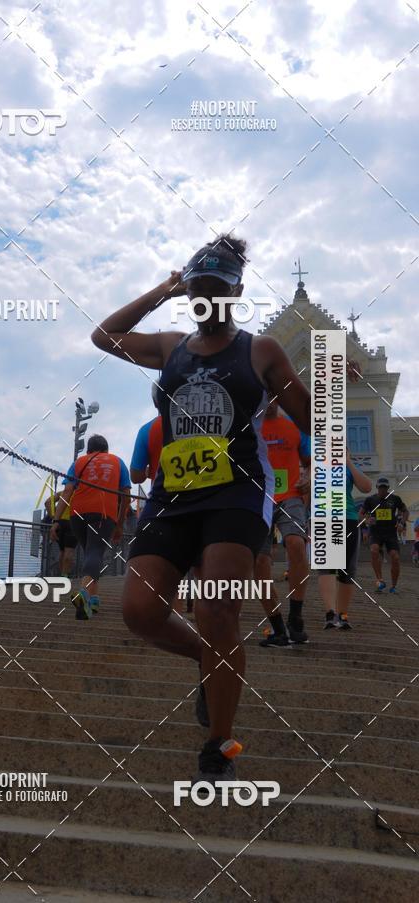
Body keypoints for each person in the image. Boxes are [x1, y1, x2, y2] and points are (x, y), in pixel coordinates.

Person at [92, 234, 310, 781]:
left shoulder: (261, 351)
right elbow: (104, 336)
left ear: (236, 292)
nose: (205, 299)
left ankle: (219, 745)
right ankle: (206, 659)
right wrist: (163, 289)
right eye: (197, 289)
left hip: (237, 492)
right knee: (140, 612)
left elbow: (312, 416)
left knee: (217, 609)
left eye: (217, 288)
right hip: (173, 495)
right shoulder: (171, 347)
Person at [51, 435, 131, 619]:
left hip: (77, 514)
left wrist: (55, 520)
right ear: (106, 449)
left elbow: (67, 491)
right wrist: (120, 524)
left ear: (88, 450)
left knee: (91, 553)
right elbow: (126, 496)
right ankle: (84, 594)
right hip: (103, 513)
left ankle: (93, 601)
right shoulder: (117, 462)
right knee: (95, 551)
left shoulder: (79, 462)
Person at [254, 400, 311, 648]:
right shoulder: (249, 427)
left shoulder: (295, 427)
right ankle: (277, 626)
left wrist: (308, 477)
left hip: (290, 495)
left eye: (273, 396)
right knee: (259, 562)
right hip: (258, 498)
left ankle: (295, 617)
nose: (268, 402)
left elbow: (311, 461)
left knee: (296, 543)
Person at [318, 449, 372, 630]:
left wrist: (349, 462)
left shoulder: (348, 468)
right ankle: (330, 613)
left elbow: (366, 487)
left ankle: (342, 614)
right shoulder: (317, 467)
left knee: (348, 569)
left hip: (348, 519)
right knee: (327, 567)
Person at [360, 477, 408, 594]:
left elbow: (405, 511)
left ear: (388, 488)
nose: (383, 490)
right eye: (381, 487)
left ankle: (393, 586)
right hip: (376, 532)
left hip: (390, 533)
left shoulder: (395, 499)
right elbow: (361, 513)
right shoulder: (370, 500)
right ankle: (380, 579)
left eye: (385, 488)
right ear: (377, 487)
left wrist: (402, 523)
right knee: (374, 550)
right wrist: (367, 521)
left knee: (395, 558)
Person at [130, 384, 163, 485]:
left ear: (155, 402)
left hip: (162, 492)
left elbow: (136, 477)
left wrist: (150, 470)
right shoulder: (200, 423)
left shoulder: (147, 430)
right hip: (203, 491)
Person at [45, 491, 77, 577]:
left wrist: (54, 517)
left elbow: (47, 502)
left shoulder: (62, 493)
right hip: (73, 522)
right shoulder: (80, 493)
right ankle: (64, 576)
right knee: (69, 551)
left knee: (62, 551)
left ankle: (61, 575)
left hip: (60, 523)